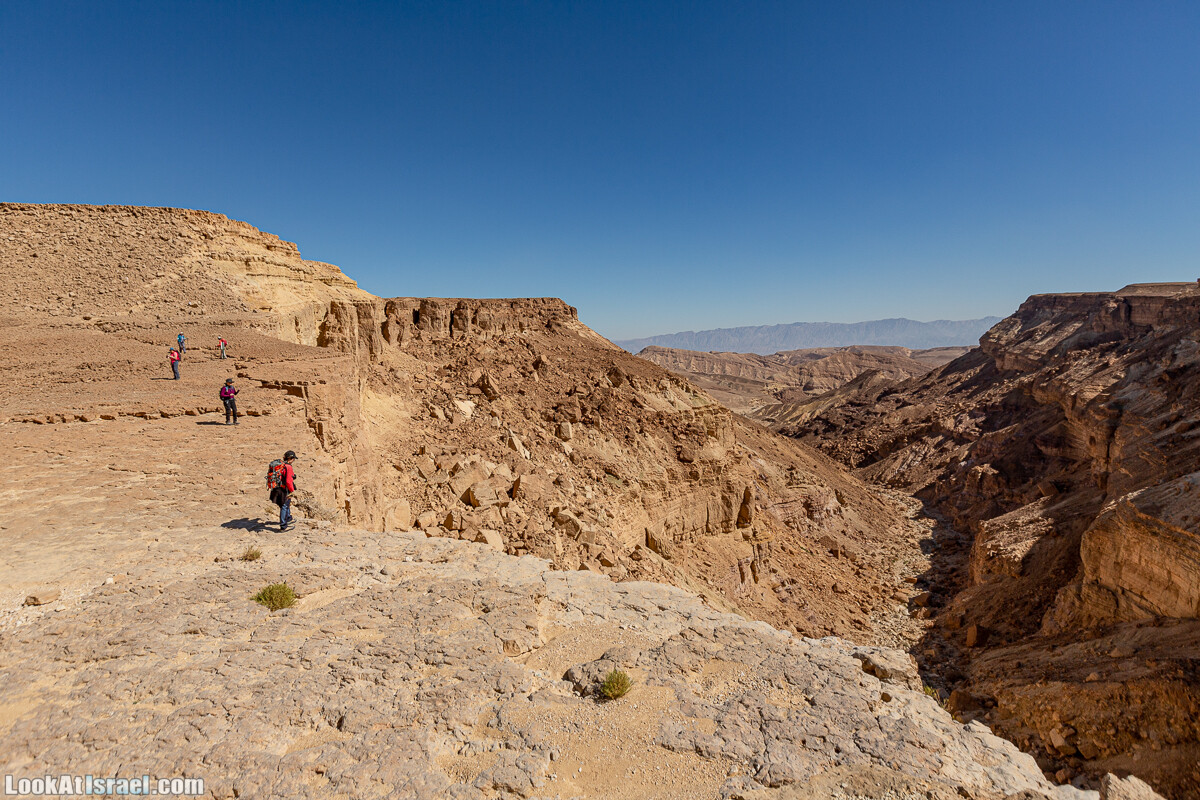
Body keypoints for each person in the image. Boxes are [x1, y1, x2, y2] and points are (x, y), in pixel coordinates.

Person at [268, 451, 298, 531]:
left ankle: (288, 518)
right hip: (284, 489)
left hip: (278, 488)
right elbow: (288, 481)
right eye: (294, 458)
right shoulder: (288, 467)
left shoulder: (282, 465)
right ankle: (283, 526)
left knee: (286, 504)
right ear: (290, 459)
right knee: (284, 506)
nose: (294, 460)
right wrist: (292, 491)